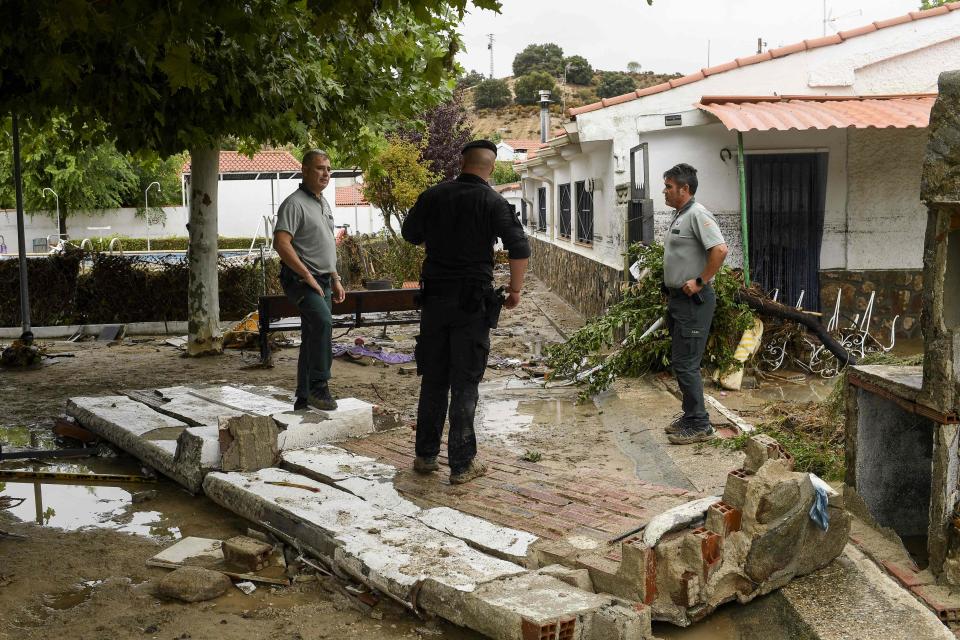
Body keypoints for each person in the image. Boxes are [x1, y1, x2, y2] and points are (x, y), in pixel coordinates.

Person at [401, 139, 530, 484]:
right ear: (490, 167)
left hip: (434, 302)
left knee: (434, 378)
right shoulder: (493, 201)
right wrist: (515, 290)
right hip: (472, 304)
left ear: (462, 163)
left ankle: (425, 456)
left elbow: (410, 234)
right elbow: (519, 247)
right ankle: (461, 464)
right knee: (465, 381)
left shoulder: (433, 196)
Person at [661, 163, 728, 445]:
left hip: (694, 301)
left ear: (684, 189)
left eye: (669, 187)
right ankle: (690, 416)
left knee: (687, 364)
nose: (664, 192)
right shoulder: (680, 215)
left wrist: (700, 280)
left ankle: (700, 424)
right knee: (680, 361)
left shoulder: (698, 215)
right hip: (679, 300)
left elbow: (720, 250)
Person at [273, 149, 346, 411]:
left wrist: (335, 277)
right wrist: (306, 275)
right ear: (304, 170)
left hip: (325, 279)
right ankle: (319, 386)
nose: (326, 173)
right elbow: (281, 243)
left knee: (312, 333)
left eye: (328, 169)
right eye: (319, 168)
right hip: (300, 280)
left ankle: (303, 396)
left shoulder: (323, 203)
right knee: (323, 323)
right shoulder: (294, 204)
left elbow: (326, 244)